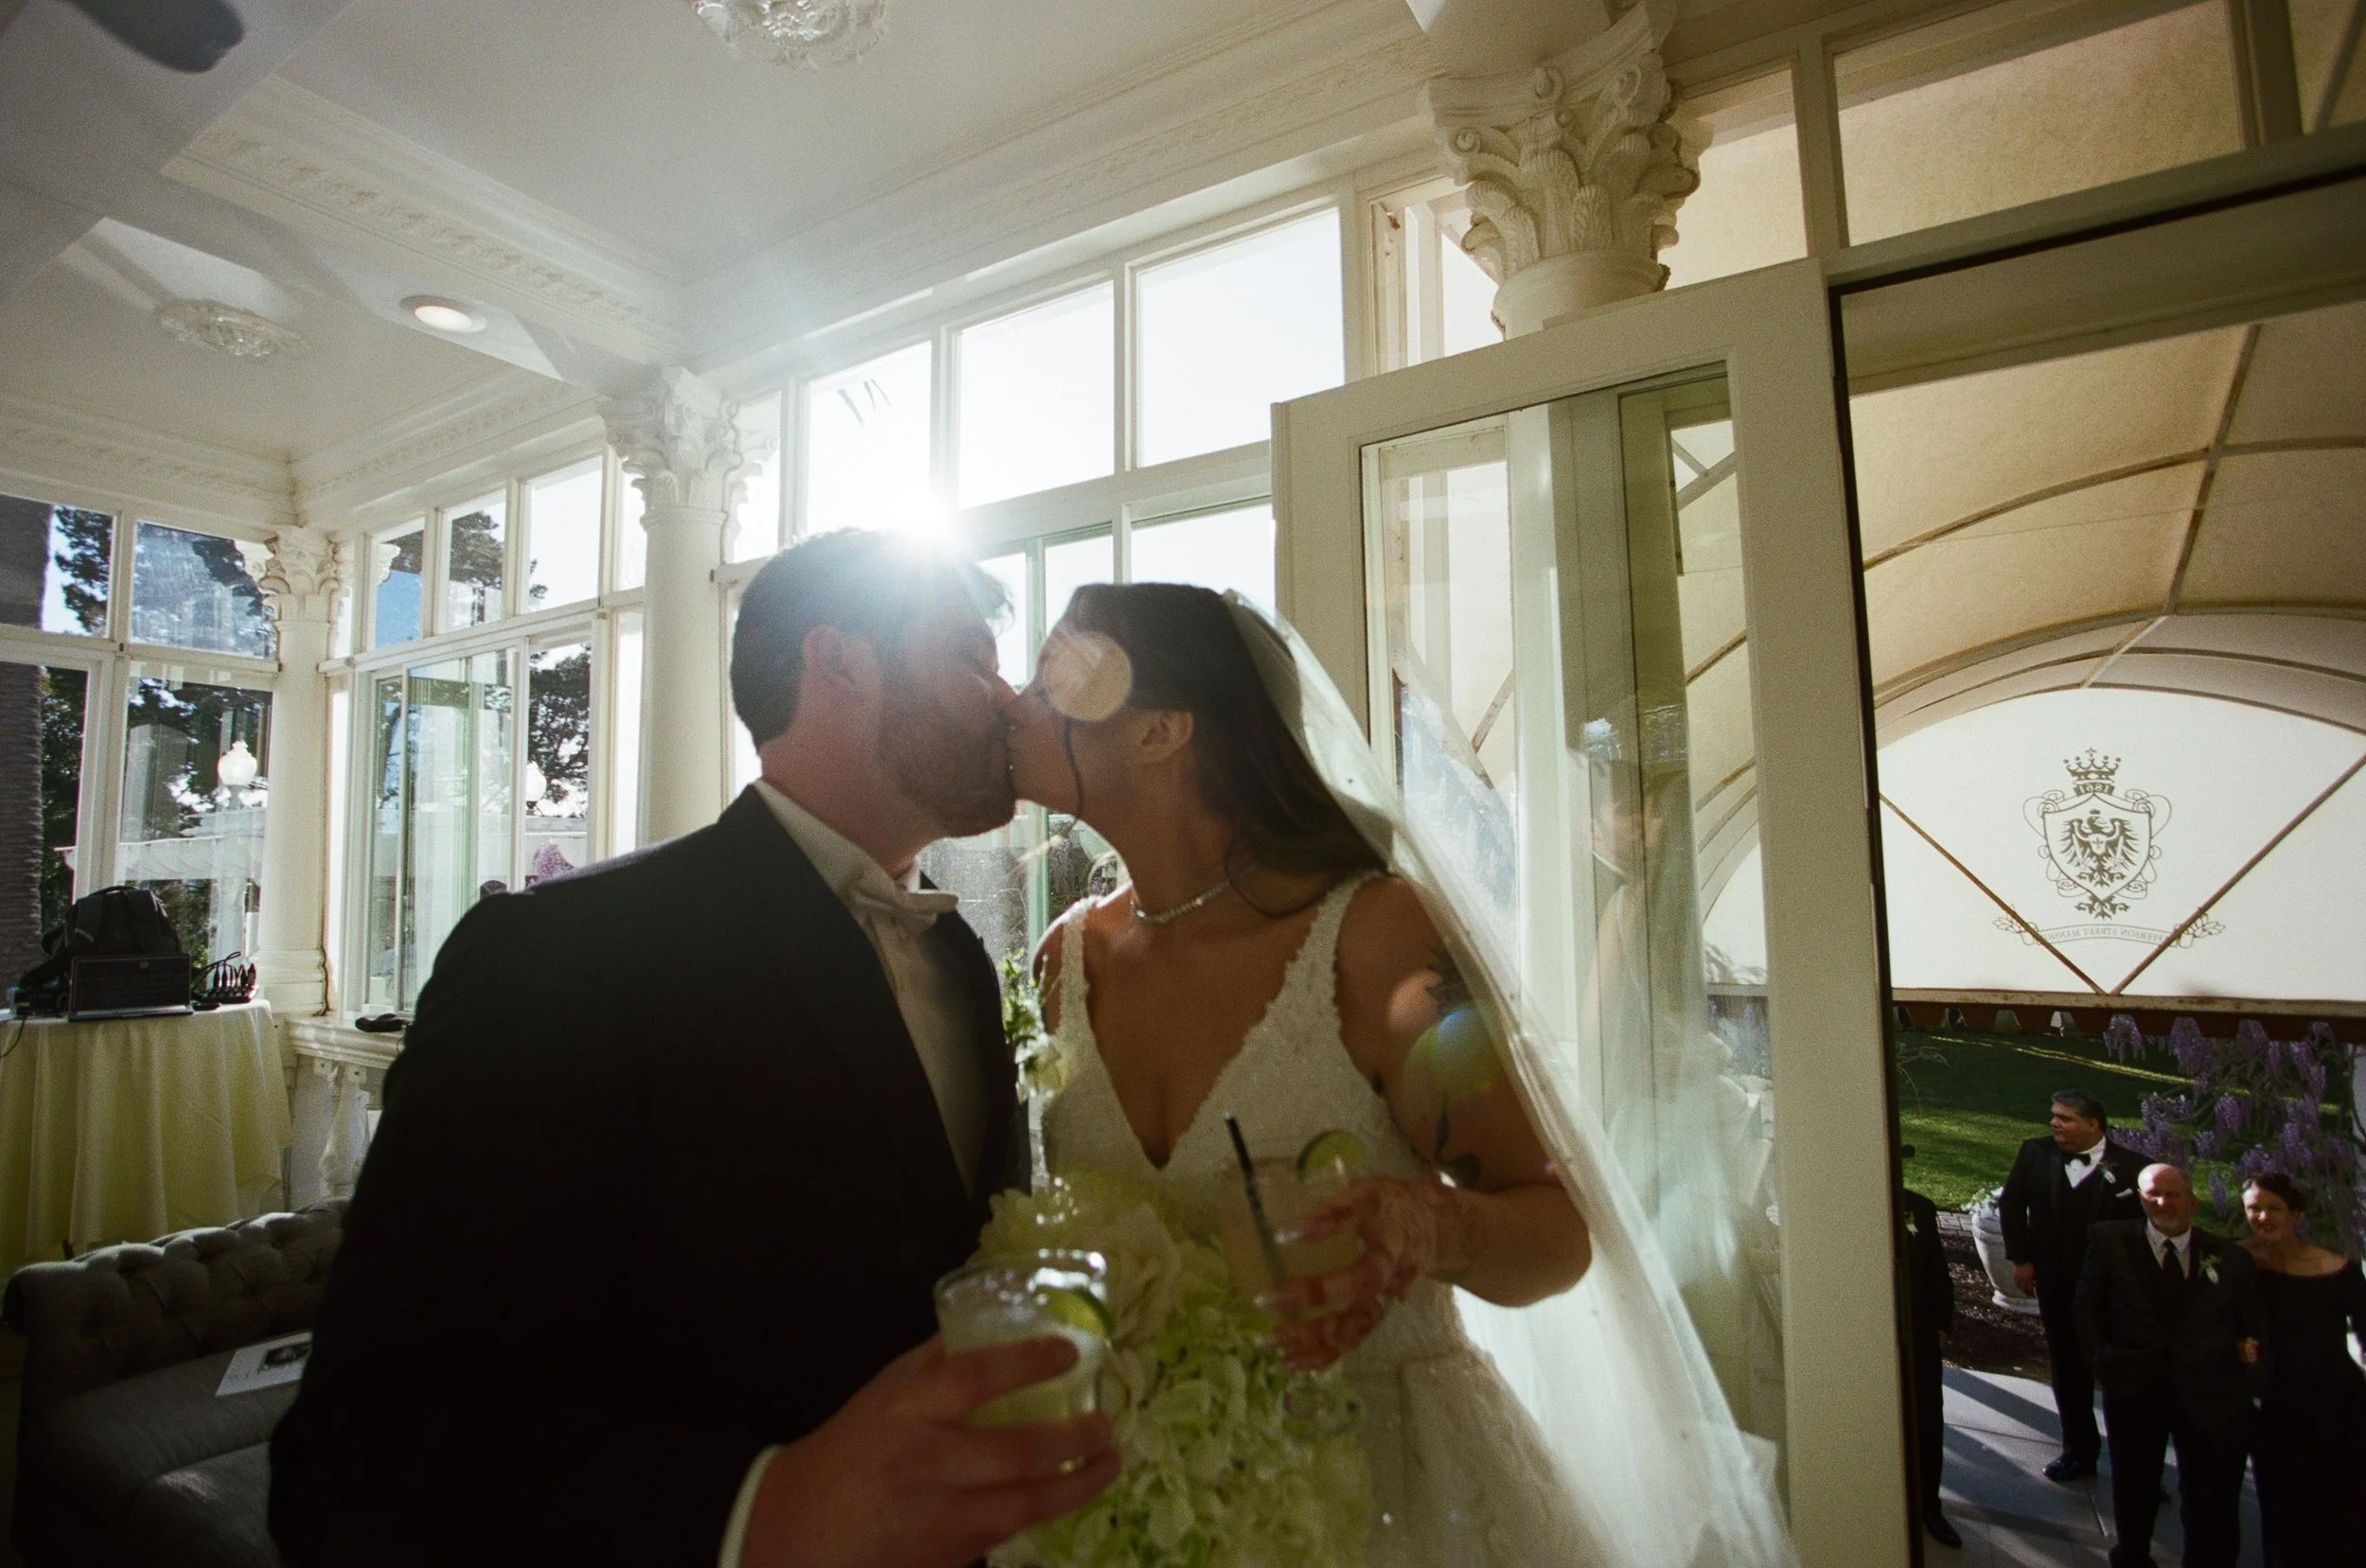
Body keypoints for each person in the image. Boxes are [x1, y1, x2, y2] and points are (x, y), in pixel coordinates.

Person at [269, 532, 1119, 1567]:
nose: (1003, 697)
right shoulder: (563, 956)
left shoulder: (961, 960)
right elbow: (362, 1451)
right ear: (839, 661)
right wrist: (757, 1511)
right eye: (970, 657)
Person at [1008, 583, 1794, 1568]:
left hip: (1397, 1496)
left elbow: (1553, 1231)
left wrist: (1431, 1225)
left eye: (1054, 679)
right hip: (1151, 1506)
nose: (1016, 700)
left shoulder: (1377, 942)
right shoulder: (1061, 961)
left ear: (1162, 730)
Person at [2076, 1164, 2268, 1568]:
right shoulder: (2109, 1240)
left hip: (2208, 1392)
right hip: (2134, 1385)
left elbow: (2252, 1323)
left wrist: (2244, 1372)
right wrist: (2103, 1362)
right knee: (2134, 1484)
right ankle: (2132, 1557)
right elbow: (2086, 1308)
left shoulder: (2228, 1257)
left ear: (2194, 1202)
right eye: (2152, 1194)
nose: (2162, 1202)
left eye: (2173, 1194)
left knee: (2209, 1494)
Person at [1997, 1089, 2146, 1480]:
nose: (2054, 1124)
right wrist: (2022, 1258)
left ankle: (2136, 1464)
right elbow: (2012, 1205)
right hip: (2056, 1280)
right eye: (2054, 1116)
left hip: (2111, 1290)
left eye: (2065, 1118)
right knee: (2067, 1365)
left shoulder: (2132, 1168)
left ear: (2093, 1125)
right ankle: (2078, 1452)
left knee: (2121, 1375)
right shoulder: (2035, 1153)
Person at [2238, 1172, 2366, 1568]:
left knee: (2341, 1508)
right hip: (2275, 1405)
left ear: (2296, 1215)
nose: (2263, 1217)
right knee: (2280, 1507)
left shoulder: (2339, 1270)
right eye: (2253, 1208)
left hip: (2338, 1403)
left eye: (2274, 1208)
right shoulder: (2238, 1264)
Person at [1900, 1175, 1961, 1549]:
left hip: (1919, 1332)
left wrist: (1940, 1324)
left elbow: (1939, 1273)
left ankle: (1929, 1507)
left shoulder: (1919, 1208)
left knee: (1926, 1419)